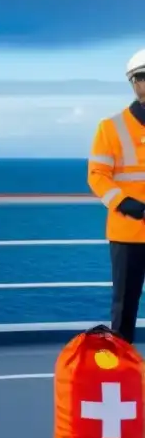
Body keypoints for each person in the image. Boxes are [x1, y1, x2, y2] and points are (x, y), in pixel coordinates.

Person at [88, 48, 145, 343]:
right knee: (124, 305)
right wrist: (124, 203)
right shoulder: (110, 128)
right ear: (133, 83)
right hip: (128, 231)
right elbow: (97, 174)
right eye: (143, 77)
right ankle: (121, 372)